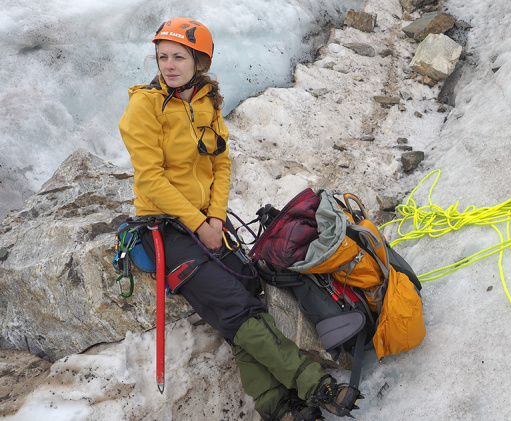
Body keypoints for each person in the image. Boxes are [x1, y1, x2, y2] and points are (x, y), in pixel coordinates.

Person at [118, 17, 360, 421]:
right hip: (165, 229)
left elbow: (221, 164)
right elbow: (151, 180)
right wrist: (199, 225)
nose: (169, 66)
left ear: (200, 61)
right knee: (236, 307)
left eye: (179, 57)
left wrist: (214, 219)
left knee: (246, 301)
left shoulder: (206, 100)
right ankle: (314, 384)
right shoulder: (144, 106)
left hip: (207, 223)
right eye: (163, 57)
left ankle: (274, 406)